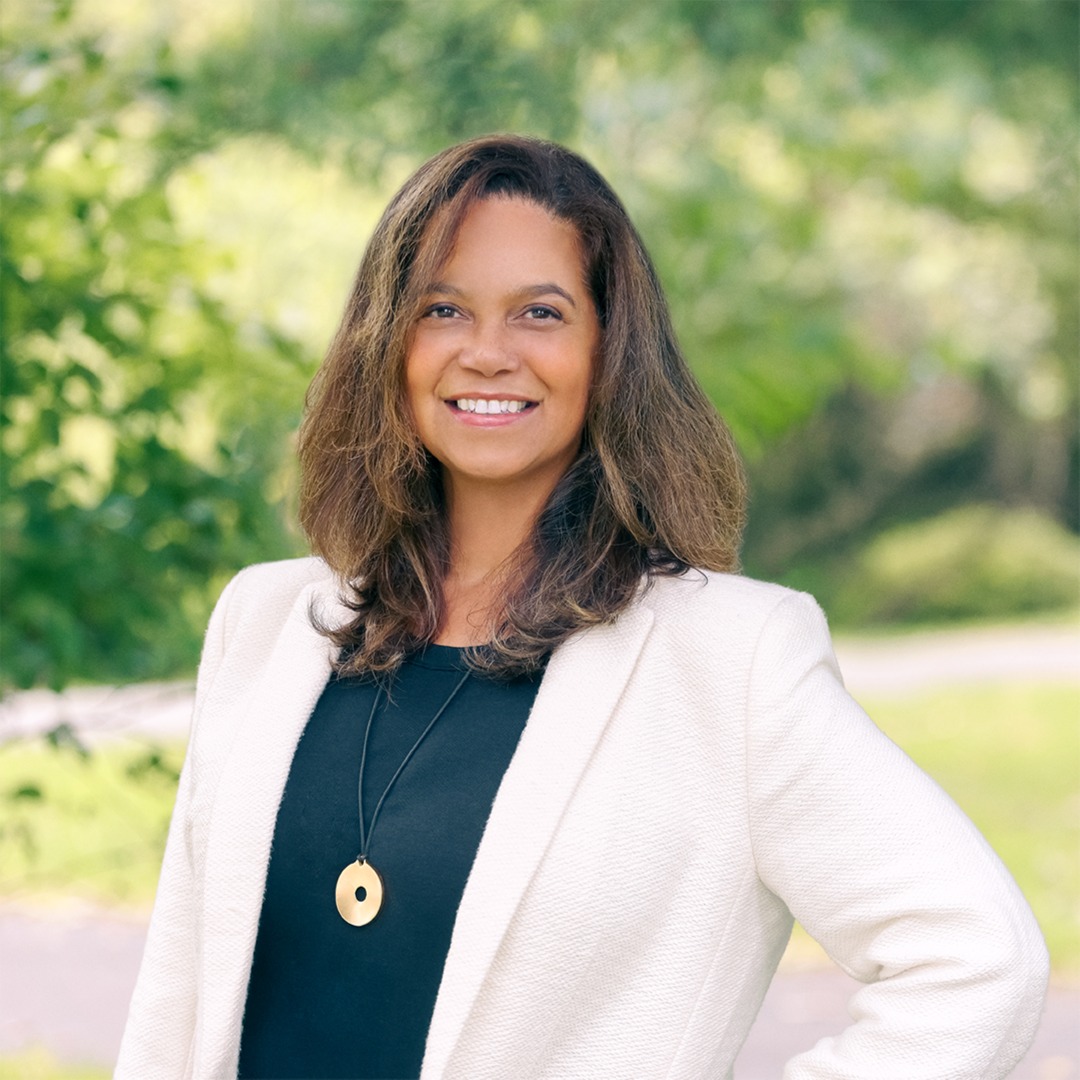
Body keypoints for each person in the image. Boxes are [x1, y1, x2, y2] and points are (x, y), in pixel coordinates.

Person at [116, 134, 1047, 1080]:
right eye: (443, 308)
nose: (488, 352)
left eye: (540, 313)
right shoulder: (264, 621)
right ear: (388, 341)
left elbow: (975, 963)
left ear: (609, 352)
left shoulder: (732, 660)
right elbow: (175, 1002)